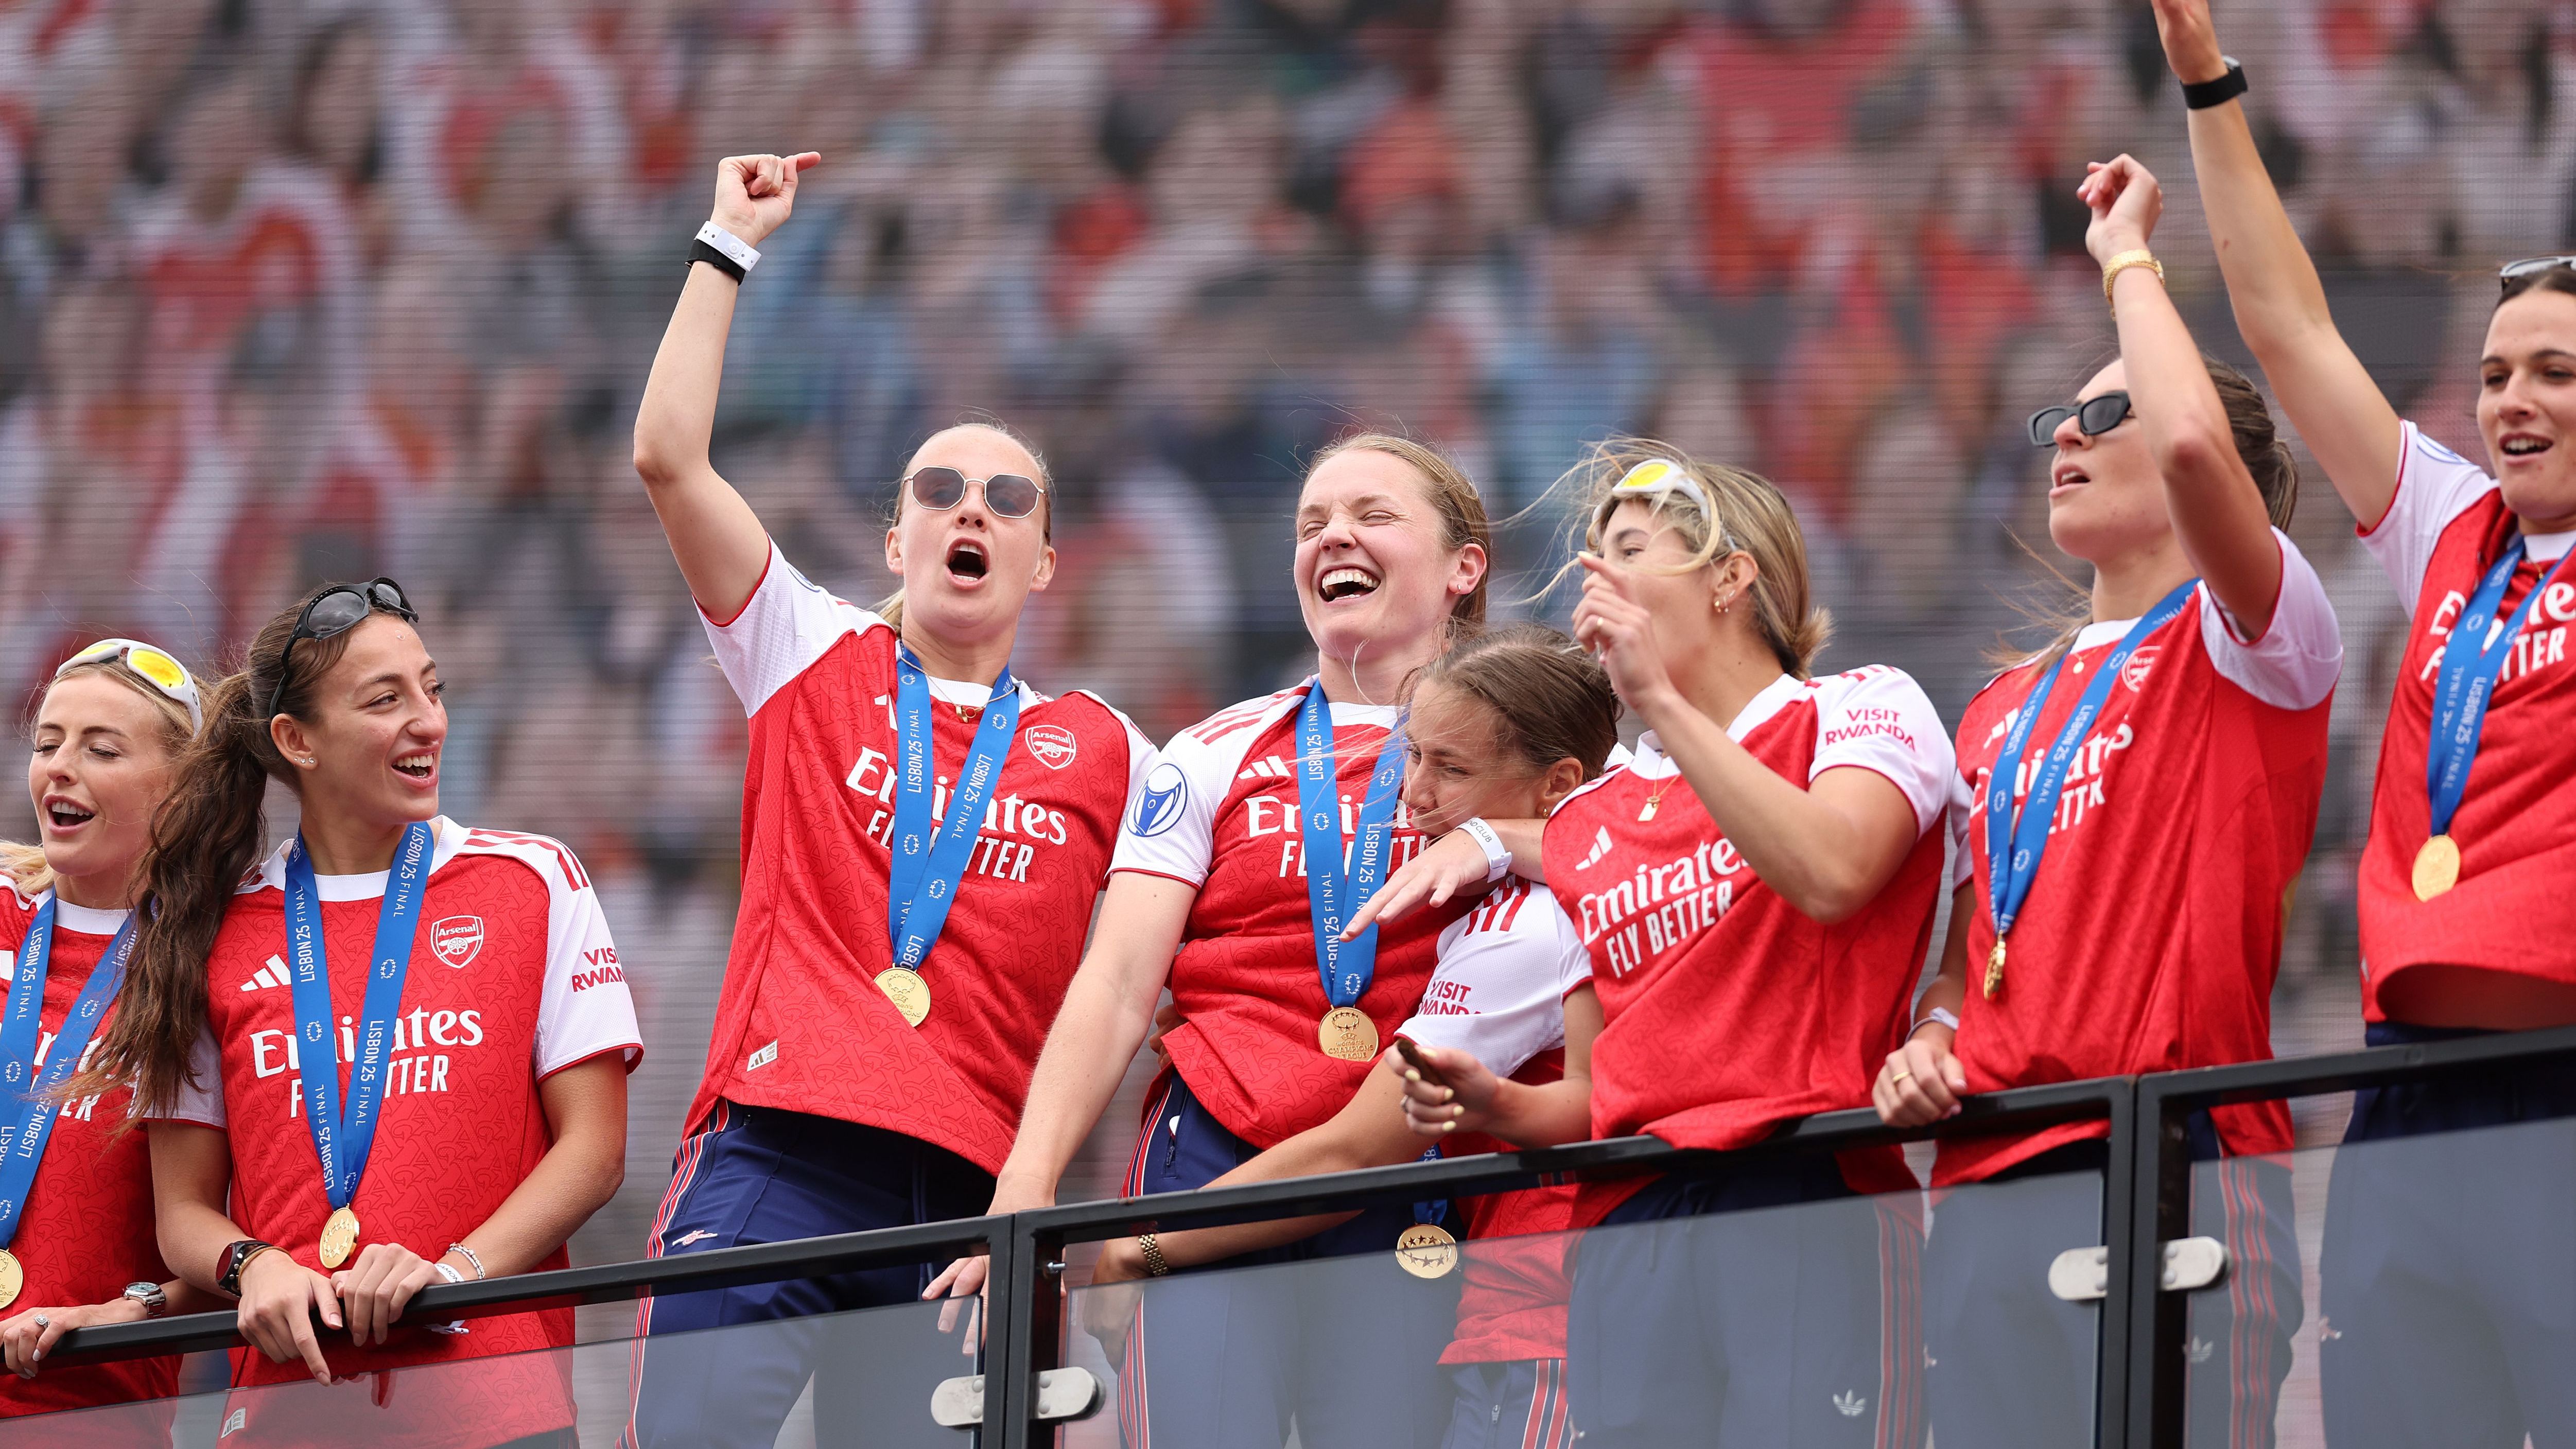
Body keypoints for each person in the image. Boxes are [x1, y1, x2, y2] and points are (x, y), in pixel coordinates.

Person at [623, 150, 1153, 1448]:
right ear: (893, 542)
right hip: (776, 1155)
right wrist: (726, 244)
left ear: (1041, 561)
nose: (971, 509)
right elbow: (668, 457)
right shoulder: (805, 650)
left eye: (1007, 499)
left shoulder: (1116, 749)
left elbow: (1175, 961)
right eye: (938, 490)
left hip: (975, 1204)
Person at [2150, 2, 2576, 1442]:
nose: (2509, 400)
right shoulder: (2450, 524)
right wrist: (2208, 80)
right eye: (2494, 374)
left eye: (2554, 374)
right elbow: (2282, 323)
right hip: (2399, 1096)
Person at [1870, 152, 2335, 1447]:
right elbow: (1975, 960)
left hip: (2165, 1161)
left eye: (2104, 414)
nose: (2066, 435)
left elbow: (2191, 438)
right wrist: (1935, 1034)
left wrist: (2128, 255)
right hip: (1986, 1173)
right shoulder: (1996, 706)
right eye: (2061, 419)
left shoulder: (2258, 639)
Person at [945, 430, 1492, 1448]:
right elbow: (1115, 985)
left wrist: (1509, 833)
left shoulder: (1528, 761)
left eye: (1374, 515)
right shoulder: (1210, 751)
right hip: (1206, 1163)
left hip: (1414, 1169)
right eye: (1311, 523)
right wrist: (1026, 1183)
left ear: (1466, 566)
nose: (1335, 535)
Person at [77, 582, 638, 1449]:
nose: (430, 722)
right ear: (297, 741)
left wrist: (456, 1271)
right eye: (386, 700)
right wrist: (252, 1264)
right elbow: (182, 1215)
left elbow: (595, 1152)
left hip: (498, 1413)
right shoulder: (209, 928)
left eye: (432, 689)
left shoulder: (532, 881)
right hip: (284, 1417)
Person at [1508, 442, 1954, 1448]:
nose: (1594, 573)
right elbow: (1592, 1070)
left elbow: (1835, 872)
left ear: (1730, 574)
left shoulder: (1861, 706)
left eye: (1628, 545)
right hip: (1628, 1210)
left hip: (1806, 1180)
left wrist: (1661, 699)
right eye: (1591, 552)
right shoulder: (1593, 814)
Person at [1087, 625, 1615, 1449]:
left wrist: (1139, 1248)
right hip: (1522, 1311)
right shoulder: (1564, 884)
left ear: (1559, 783)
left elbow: (1359, 1149)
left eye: (1453, 769)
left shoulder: (1526, 925)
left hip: (1542, 1319)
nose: (1412, 795)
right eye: (1413, 757)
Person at [0, 641, 213, 1432]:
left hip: (87, 1416)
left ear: (182, 792)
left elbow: (253, 1238)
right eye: (48, 743)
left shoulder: (218, 967)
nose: (59, 766)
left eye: (102, 749)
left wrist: (128, 1311)